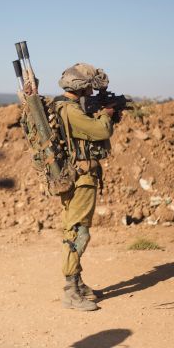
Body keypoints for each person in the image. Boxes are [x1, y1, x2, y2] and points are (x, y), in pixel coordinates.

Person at [51, 63, 116, 311]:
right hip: (81, 178)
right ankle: (70, 291)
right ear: (80, 86)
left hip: (77, 177)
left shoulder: (67, 107)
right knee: (78, 232)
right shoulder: (71, 111)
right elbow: (100, 131)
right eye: (89, 87)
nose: (91, 91)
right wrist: (105, 115)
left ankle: (77, 283)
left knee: (77, 229)